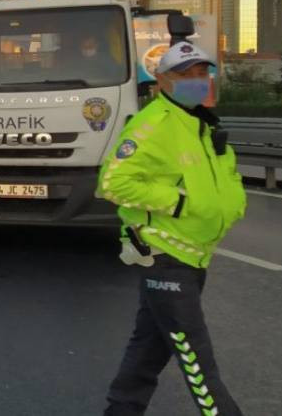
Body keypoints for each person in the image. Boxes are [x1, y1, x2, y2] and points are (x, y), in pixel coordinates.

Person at [100, 42, 246, 416]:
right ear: (162, 79)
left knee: (149, 348)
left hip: (193, 253)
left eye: (202, 73)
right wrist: (178, 203)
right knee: (197, 358)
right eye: (186, 74)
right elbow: (113, 183)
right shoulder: (153, 124)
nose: (197, 81)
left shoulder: (199, 122)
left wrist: (231, 207)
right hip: (165, 255)